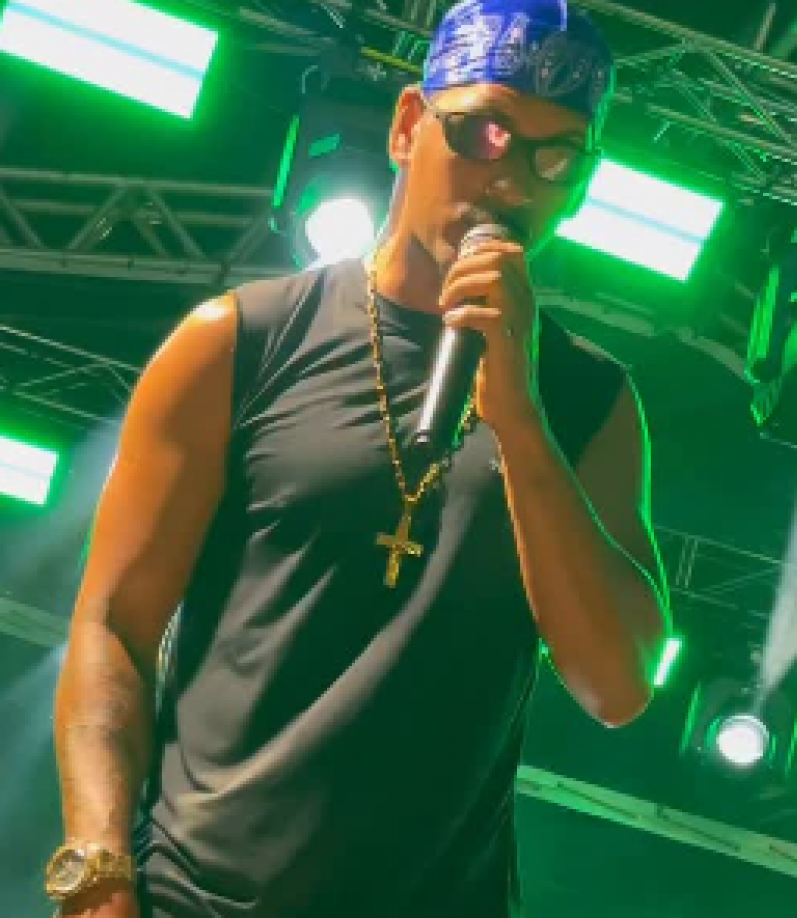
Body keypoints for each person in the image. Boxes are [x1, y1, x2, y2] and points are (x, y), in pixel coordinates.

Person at [49, 1, 671, 916]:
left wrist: (521, 421)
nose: (511, 179)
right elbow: (114, 627)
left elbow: (617, 686)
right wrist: (98, 874)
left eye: (556, 156)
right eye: (484, 132)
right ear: (409, 124)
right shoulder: (240, 341)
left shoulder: (590, 405)